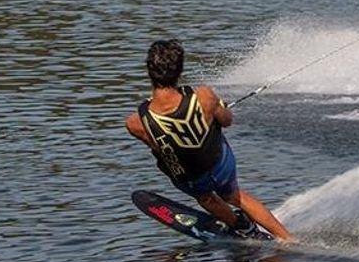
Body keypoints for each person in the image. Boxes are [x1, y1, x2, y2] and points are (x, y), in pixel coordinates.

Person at [125, 39, 293, 241]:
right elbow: (227, 121)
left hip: (193, 178)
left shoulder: (136, 123)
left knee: (205, 197)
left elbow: (161, 149)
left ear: (149, 71)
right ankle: (288, 238)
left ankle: (243, 226)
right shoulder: (204, 96)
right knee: (235, 196)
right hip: (222, 164)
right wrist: (217, 109)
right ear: (179, 71)